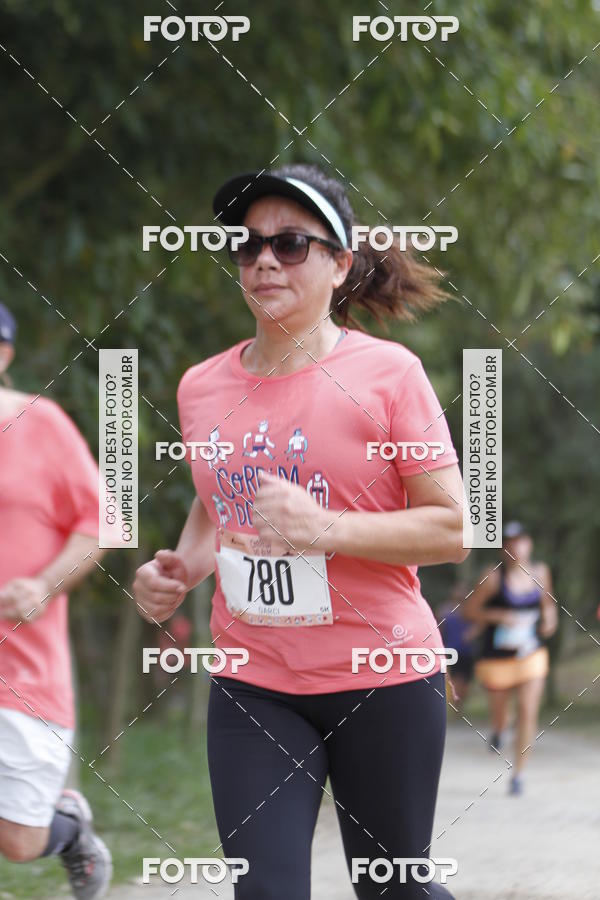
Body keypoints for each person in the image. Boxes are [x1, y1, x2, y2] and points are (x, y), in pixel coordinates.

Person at [133, 163, 468, 899]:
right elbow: (217, 498)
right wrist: (180, 570)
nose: (262, 261)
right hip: (255, 682)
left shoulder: (389, 375)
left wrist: (326, 527)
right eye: (247, 247)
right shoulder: (202, 386)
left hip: (382, 677)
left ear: (340, 262)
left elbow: (451, 528)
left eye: (290, 244)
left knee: (394, 889)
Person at [0, 302, 112, 898]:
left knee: (19, 843)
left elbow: (103, 522)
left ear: (5, 353)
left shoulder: (41, 425)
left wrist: (42, 584)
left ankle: (68, 829)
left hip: (23, 672)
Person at [464, 521, 558, 795]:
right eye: (509, 542)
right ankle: (499, 729)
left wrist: (549, 621)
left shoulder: (541, 572)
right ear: (503, 548)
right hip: (497, 659)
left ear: (529, 543)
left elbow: (548, 604)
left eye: (520, 540)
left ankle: (519, 774)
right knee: (501, 713)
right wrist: (497, 616)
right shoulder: (492, 577)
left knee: (528, 710)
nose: (515, 547)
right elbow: (469, 611)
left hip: (531, 653)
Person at [438, 583, 479, 712]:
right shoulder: (445, 611)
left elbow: (480, 624)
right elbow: (439, 629)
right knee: (455, 680)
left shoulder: (470, 611)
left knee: (466, 683)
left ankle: (459, 704)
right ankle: (456, 707)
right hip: (451, 650)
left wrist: (472, 633)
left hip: (468, 651)